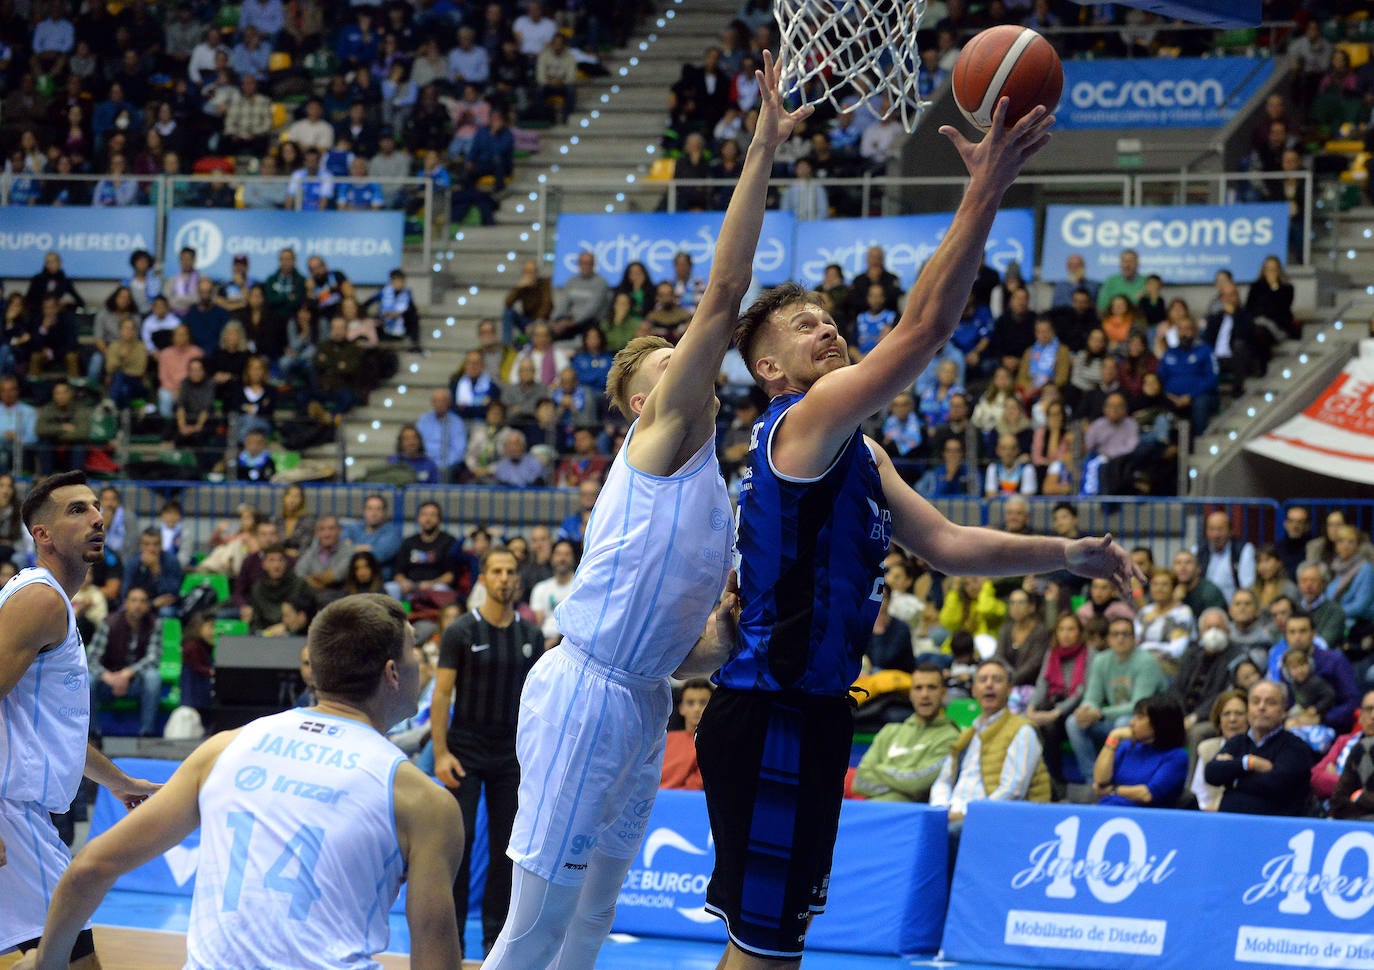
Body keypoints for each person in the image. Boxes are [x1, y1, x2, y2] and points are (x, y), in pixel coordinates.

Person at [704, 94, 1139, 967]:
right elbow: (928, 327)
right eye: (804, 324)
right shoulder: (804, 421)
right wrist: (986, 187)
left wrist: (1068, 556)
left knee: (774, 950)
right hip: (773, 712)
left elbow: (944, 545)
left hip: (815, 713)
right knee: (762, 955)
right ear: (768, 368)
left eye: (829, 317)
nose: (826, 326)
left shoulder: (855, 449)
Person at [482, 51, 801, 970]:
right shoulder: (659, 435)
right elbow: (726, 295)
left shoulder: (715, 486)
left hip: (645, 694)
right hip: (584, 691)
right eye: (668, 358)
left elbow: (689, 649)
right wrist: (761, 147)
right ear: (639, 400)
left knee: (594, 919)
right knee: (533, 924)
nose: (688, 360)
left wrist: (731, 638)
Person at [19, 594, 464, 970]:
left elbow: (90, 868)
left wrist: (45, 964)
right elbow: (432, 950)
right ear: (392, 673)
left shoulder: (224, 749)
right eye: (412, 652)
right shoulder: (422, 800)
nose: (420, 663)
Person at [1, 471, 159, 964]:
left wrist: (118, 781)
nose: (96, 517)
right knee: (71, 957)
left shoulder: (44, 598)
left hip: (17, 812)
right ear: (41, 535)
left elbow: (45, 728)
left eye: (95, 506)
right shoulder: (41, 600)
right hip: (11, 813)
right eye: (76, 510)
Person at [431, 547, 543, 955]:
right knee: (458, 846)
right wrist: (441, 754)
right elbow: (442, 695)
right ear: (483, 579)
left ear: (518, 578)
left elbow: (538, 704)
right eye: (496, 571)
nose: (504, 578)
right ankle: (453, 940)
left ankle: (496, 941)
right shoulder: (461, 630)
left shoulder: (531, 636)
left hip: (510, 758)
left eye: (511, 571)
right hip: (463, 753)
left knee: (505, 852)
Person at [1067, 617, 1167, 783]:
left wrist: (1099, 713)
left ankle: (1119, 779)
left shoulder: (1146, 661)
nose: (1120, 638)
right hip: (1113, 719)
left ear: (1135, 639)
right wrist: (1085, 710)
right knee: (1073, 722)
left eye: (1125, 634)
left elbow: (1138, 706)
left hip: (1150, 722)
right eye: (1115, 634)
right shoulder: (1101, 660)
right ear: (1108, 638)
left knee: (1123, 722)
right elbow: (1092, 697)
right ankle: (1093, 779)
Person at [852, 662, 960, 801]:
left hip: (911, 817)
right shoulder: (889, 732)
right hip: (870, 815)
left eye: (931, 687)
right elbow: (859, 782)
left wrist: (878, 770)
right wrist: (903, 786)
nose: (925, 694)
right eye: (918, 688)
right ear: (910, 693)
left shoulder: (952, 737)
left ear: (943, 693)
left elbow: (917, 786)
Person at [1205, 679, 1314, 816]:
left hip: (1274, 829)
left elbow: (1277, 783)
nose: (1261, 707)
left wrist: (1233, 779)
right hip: (1228, 826)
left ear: (1284, 711)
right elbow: (1211, 773)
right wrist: (1248, 762)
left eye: (1270, 703)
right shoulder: (1237, 741)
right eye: (1256, 702)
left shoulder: (1295, 747)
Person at [86, 586, 163, 739]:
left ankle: (146, 733)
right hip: (108, 682)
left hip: (135, 682)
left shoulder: (155, 624)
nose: (138, 605)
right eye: (133, 600)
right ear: (125, 603)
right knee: (88, 679)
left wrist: (128, 673)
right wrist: (109, 677)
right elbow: (91, 659)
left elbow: (153, 658)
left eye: (142, 601)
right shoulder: (109, 623)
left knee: (153, 677)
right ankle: (92, 734)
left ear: (148, 606)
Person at [1092, 695, 1189, 808]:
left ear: (1160, 722)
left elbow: (1147, 794)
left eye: (1140, 717)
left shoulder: (1176, 756)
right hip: (1108, 809)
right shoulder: (1128, 747)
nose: (1132, 723)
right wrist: (1113, 737)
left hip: (1144, 817)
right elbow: (1100, 781)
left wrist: (1113, 790)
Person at [1191, 688, 1248, 811]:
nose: (1232, 719)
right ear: (1219, 719)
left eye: (1239, 713)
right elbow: (1199, 794)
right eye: (1226, 714)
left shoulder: (1258, 748)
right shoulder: (1207, 748)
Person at [1330, 690, 1374, 821]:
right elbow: (1338, 803)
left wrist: (1359, 797)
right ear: (1360, 716)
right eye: (1369, 709)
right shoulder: (1357, 747)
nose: (1373, 716)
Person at [661, 679, 713, 790]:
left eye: (703, 702)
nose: (697, 708)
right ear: (681, 708)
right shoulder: (664, 740)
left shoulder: (717, 746)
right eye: (690, 703)